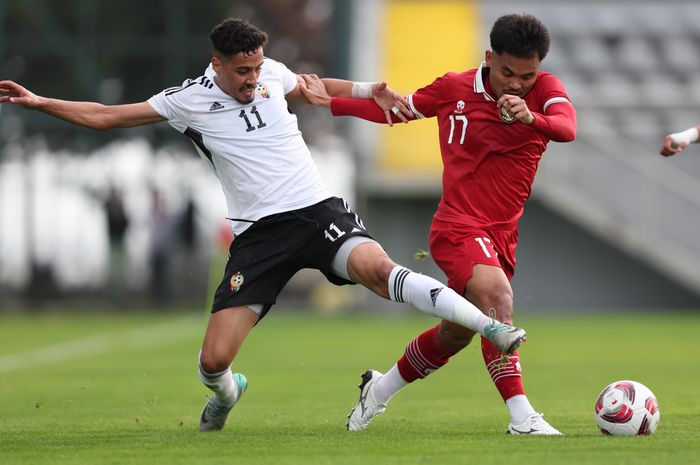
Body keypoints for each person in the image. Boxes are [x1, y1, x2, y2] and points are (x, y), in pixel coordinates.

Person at [0, 18, 527, 433]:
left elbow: (313, 84)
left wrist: (372, 90)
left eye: (257, 68)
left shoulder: (272, 71)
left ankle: (491, 327)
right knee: (213, 361)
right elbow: (105, 116)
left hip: (318, 210)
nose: (255, 80)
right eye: (243, 72)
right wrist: (42, 102)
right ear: (218, 65)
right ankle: (229, 394)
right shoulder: (185, 101)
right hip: (258, 236)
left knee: (379, 269)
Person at [301, 13, 576, 435]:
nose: (517, 84)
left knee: (456, 334)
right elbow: (397, 111)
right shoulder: (454, 88)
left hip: (503, 233)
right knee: (497, 296)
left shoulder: (546, 91)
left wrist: (530, 117)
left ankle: (378, 389)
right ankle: (522, 417)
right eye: (507, 73)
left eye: (527, 75)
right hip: (458, 226)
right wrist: (332, 102)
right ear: (489, 58)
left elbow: (566, 128)